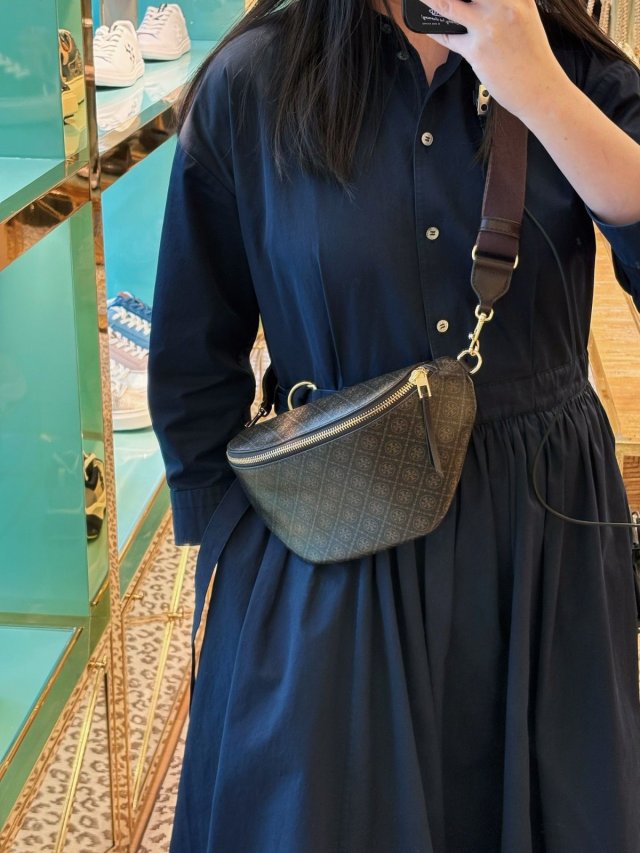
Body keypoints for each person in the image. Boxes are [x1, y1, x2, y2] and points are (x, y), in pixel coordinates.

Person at [148, 0, 640, 848]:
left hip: (542, 553)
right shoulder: (256, 81)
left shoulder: (577, 69)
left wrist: (539, 89)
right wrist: (250, 572)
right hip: (334, 556)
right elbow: (194, 359)